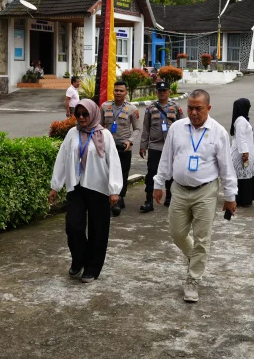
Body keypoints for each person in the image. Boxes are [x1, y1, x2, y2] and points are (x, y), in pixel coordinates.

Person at [154, 89, 237, 303]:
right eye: (190, 107)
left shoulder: (218, 132)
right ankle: (195, 259)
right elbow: (166, 158)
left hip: (206, 191)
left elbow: (227, 167)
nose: (193, 112)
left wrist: (230, 196)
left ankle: (193, 279)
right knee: (177, 233)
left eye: (198, 108)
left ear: (208, 108)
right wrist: (159, 183)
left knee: (202, 239)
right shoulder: (177, 128)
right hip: (179, 190)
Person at [49, 99, 123, 283]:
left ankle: (92, 267)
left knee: (99, 229)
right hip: (76, 187)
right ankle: (78, 259)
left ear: (93, 114)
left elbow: (113, 162)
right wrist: (55, 185)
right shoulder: (72, 134)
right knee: (73, 227)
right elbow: (62, 159)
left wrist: (114, 190)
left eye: (85, 114)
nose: (81, 117)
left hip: (99, 188)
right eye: (78, 114)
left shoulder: (104, 135)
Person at [139, 80, 183, 212]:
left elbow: (183, 127)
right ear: (156, 92)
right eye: (160, 91)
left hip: (172, 147)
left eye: (165, 91)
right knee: (152, 173)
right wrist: (143, 146)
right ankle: (149, 201)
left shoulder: (175, 107)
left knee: (172, 172)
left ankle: (170, 197)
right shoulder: (150, 108)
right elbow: (146, 128)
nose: (162, 93)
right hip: (155, 146)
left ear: (169, 92)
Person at [101, 81, 140, 217]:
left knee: (122, 174)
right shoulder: (105, 106)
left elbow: (137, 129)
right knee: (107, 172)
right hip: (108, 146)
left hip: (124, 147)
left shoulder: (132, 109)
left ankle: (119, 198)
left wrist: (130, 142)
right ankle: (109, 198)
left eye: (121, 91)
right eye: (116, 90)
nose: (118, 93)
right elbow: (99, 126)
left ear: (126, 93)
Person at [229, 98, 254, 207]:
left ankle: (245, 198)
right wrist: (245, 152)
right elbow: (241, 137)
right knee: (241, 176)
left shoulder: (242, 119)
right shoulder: (240, 120)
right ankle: (241, 199)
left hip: (246, 150)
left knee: (245, 176)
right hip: (241, 152)